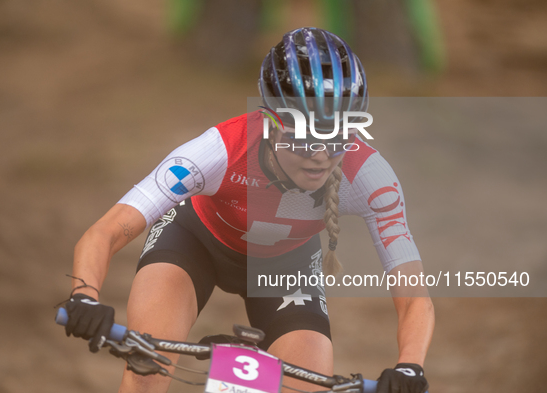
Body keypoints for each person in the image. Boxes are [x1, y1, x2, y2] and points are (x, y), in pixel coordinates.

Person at [64, 27, 434, 393]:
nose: (321, 156)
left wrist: (411, 366)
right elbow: (106, 230)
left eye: (338, 137)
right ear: (272, 125)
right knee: (148, 367)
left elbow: (414, 294)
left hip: (285, 266)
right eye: (306, 137)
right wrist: (85, 294)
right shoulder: (219, 151)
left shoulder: (369, 177)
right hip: (195, 242)